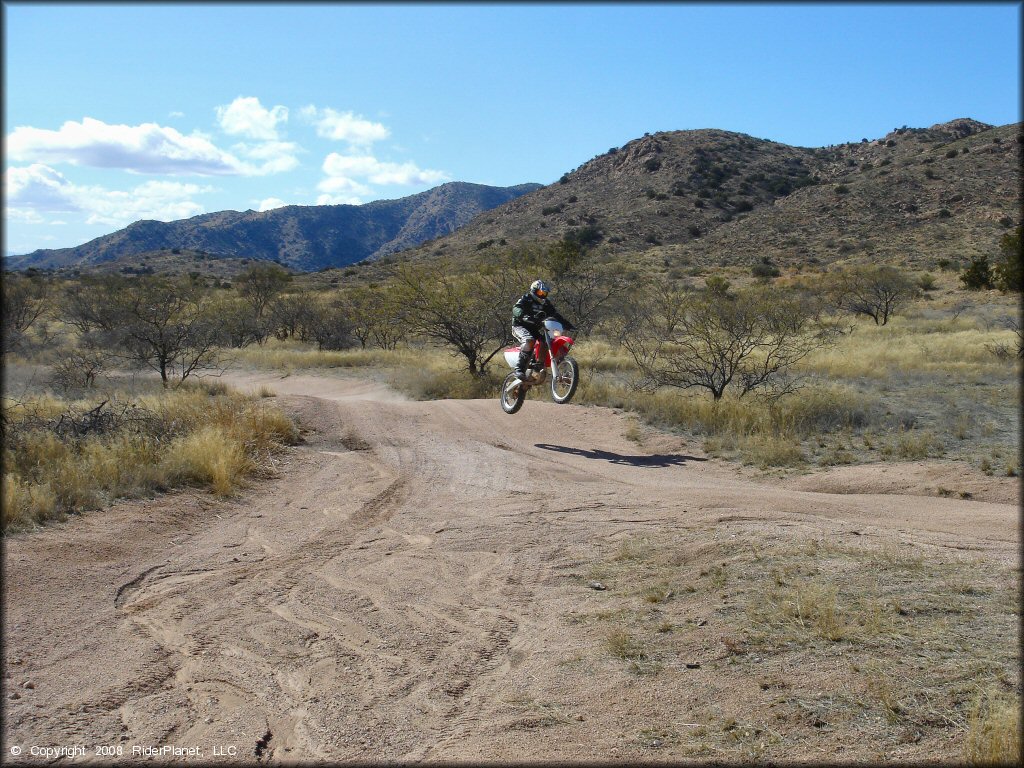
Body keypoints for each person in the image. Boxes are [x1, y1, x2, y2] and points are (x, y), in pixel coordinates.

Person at [511, 279, 574, 381]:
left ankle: (539, 364)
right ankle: (519, 369)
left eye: (545, 293)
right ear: (534, 290)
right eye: (541, 292)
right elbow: (516, 308)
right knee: (529, 340)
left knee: (546, 341)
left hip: (534, 327)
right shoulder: (526, 299)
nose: (543, 294)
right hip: (520, 326)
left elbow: (555, 315)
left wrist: (568, 324)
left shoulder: (546, 303)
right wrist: (523, 315)